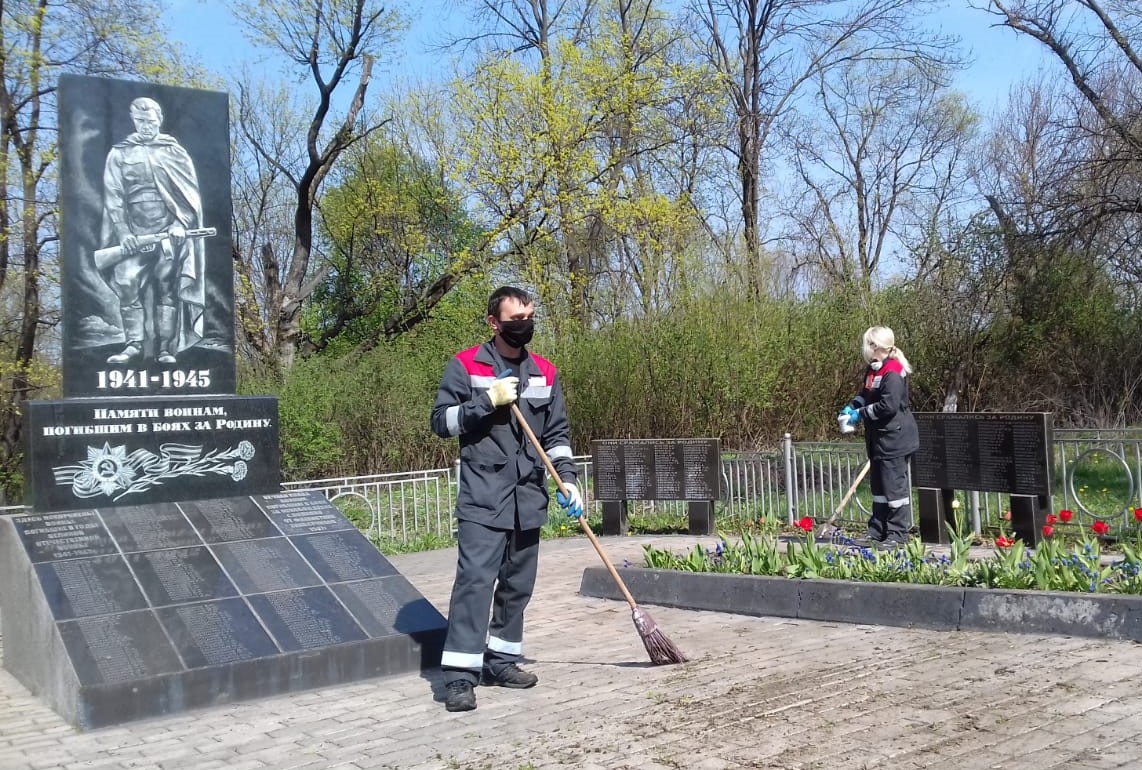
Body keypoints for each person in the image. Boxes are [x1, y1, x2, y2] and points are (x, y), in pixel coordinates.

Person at [430, 286, 583, 713]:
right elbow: (441, 422)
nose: (524, 325)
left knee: (517, 587)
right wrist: (486, 402)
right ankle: (461, 676)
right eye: (515, 319)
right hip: (484, 498)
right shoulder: (466, 366)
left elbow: (556, 435)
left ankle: (502, 660)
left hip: (528, 497)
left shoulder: (545, 374)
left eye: (530, 317)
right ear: (494, 323)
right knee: (475, 586)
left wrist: (568, 481)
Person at [100, 97, 205, 365]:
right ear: (133, 120)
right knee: (126, 281)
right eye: (141, 121)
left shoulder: (174, 152)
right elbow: (113, 196)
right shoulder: (120, 153)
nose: (146, 126)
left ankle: (166, 349)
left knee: (166, 286)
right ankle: (133, 344)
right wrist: (123, 233)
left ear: (160, 120)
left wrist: (180, 223)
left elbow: (189, 196)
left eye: (151, 121)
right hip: (133, 233)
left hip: (168, 232)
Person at [838, 326, 919, 548]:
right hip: (878, 441)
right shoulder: (873, 369)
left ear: (875, 346)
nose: (864, 349)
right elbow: (866, 394)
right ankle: (877, 531)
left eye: (867, 344)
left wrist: (860, 415)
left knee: (894, 490)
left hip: (895, 439)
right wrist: (851, 407)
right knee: (879, 490)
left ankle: (897, 534)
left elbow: (888, 406)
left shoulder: (893, 371)